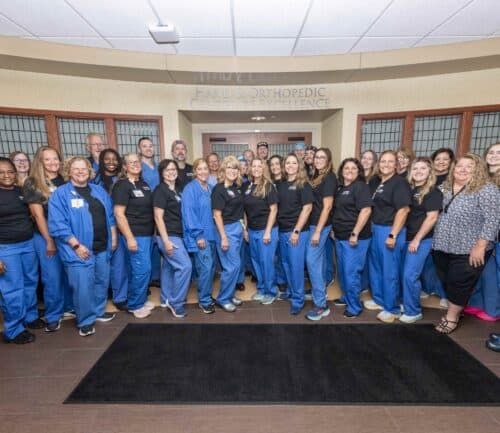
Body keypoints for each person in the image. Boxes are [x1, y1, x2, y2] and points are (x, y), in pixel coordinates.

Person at [49, 157, 117, 337]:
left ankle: (98, 311)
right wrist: (76, 245)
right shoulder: (61, 194)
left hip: (102, 245)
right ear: (69, 171)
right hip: (77, 249)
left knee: (101, 280)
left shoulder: (98, 190)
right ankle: (85, 321)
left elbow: (109, 216)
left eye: (84, 169)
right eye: (76, 169)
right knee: (83, 286)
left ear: (90, 171)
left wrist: (114, 238)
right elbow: (57, 224)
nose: (80, 172)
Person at [432, 154, 500, 333]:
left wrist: (481, 246)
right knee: (447, 280)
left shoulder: (486, 189)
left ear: (477, 169)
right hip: (442, 245)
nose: (462, 169)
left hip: (469, 248)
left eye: (468, 166)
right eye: (459, 166)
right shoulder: (444, 187)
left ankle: (452, 317)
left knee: (459, 282)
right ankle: (458, 308)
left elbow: (493, 219)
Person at [23, 146, 71, 332]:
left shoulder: (65, 180)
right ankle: (53, 314)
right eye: (48, 159)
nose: (53, 163)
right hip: (45, 237)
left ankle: (68, 308)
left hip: (66, 235)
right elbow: (38, 215)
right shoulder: (33, 182)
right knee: (52, 277)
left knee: (68, 273)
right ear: (40, 162)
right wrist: (49, 240)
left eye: (55, 158)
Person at [366, 150, 411, 323]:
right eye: (383, 161)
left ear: (396, 164)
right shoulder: (376, 181)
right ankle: (379, 300)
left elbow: (404, 210)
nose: (385, 164)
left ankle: (392, 308)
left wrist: (393, 234)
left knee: (389, 270)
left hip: (390, 230)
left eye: (390, 161)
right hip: (375, 228)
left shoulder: (399, 183)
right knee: (376, 266)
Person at [0, 157, 40, 344]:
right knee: (12, 289)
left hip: (28, 243)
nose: (6, 175)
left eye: (10, 171)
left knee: (30, 282)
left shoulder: (21, 191)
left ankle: (30, 317)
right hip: (5, 248)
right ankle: (14, 329)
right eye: (1, 172)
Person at [112, 153, 155, 319]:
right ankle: (135, 305)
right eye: (131, 162)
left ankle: (140, 299)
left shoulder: (143, 184)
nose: (135, 164)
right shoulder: (122, 185)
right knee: (142, 270)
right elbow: (119, 214)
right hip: (135, 234)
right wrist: (129, 237)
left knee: (137, 270)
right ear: (124, 166)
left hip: (147, 234)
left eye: (137, 161)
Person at [400, 157, 442, 323]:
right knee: (405, 274)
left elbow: (432, 218)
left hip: (420, 240)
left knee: (410, 275)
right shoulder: (410, 189)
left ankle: (413, 311)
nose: (418, 172)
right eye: (415, 168)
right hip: (405, 237)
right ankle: (407, 302)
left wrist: (417, 239)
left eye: (422, 168)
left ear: (429, 171)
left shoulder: (433, 191)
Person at [332, 158, 372, 318]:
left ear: (359, 171)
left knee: (351, 272)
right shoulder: (342, 188)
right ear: (341, 171)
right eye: (346, 168)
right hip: (341, 236)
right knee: (342, 271)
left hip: (355, 238)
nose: (349, 171)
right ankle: (347, 297)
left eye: (353, 168)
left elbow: (366, 211)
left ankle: (354, 307)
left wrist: (355, 232)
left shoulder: (361, 187)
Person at [153, 159, 192, 318]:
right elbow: (157, 217)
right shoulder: (160, 190)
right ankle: (177, 303)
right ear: (162, 173)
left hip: (177, 234)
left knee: (169, 268)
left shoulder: (177, 189)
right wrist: (166, 241)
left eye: (173, 169)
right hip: (168, 236)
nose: (171, 172)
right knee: (185, 267)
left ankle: (166, 298)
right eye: (167, 170)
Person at [467, 142, 500, 322]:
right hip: (479, 233)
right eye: (492, 152)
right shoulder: (484, 177)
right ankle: (480, 303)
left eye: (499, 153)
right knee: (481, 270)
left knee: (493, 274)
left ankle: (494, 310)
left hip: (493, 235)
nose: (494, 155)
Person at [277, 153, 313, 315]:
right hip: (282, 230)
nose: (290, 166)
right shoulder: (282, 184)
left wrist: (297, 231)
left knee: (296, 266)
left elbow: (307, 208)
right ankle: (292, 291)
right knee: (285, 263)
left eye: (293, 163)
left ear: (299, 166)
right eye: (287, 163)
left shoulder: (303, 184)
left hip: (297, 232)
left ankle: (298, 300)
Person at [181, 158, 217, 314]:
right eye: (200, 169)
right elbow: (189, 214)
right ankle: (204, 301)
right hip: (200, 236)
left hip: (212, 234)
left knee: (210, 268)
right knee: (206, 268)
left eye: (206, 168)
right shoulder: (190, 189)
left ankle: (206, 294)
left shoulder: (210, 188)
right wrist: (198, 235)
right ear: (195, 171)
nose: (203, 172)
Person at [305, 148, 336, 321]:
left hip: (319, 226)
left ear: (328, 160)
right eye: (317, 157)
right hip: (312, 224)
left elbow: (328, 206)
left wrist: (317, 231)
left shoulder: (329, 178)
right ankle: (320, 292)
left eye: (322, 157)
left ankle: (321, 305)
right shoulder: (315, 176)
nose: (318, 159)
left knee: (312, 260)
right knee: (320, 261)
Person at [244, 158, 279, 305]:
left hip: (267, 230)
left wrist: (268, 232)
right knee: (256, 261)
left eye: (260, 166)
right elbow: (245, 210)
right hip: (252, 230)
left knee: (267, 262)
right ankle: (261, 288)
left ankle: (271, 291)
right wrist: (245, 229)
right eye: (254, 166)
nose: (257, 168)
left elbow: (274, 209)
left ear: (263, 168)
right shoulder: (247, 186)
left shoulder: (268, 186)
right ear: (250, 168)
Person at [212, 155, 244, 312]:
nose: (232, 171)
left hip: (236, 228)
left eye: (235, 168)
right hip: (225, 230)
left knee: (235, 265)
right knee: (231, 267)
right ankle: (223, 299)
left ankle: (229, 294)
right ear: (223, 170)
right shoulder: (219, 189)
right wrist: (223, 236)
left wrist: (242, 228)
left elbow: (239, 211)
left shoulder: (235, 188)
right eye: (229, 167)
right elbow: (217, 214)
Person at [138, 136, 161, 287]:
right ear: (139, 149)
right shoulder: (138, 167)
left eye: (150, 146)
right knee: (146, 245)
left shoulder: (158, 166)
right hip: (144, 211)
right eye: (144, 146)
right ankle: (145, 279)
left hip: (159, 209)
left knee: (157, 243)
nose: (148, 148)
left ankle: (156, 276)